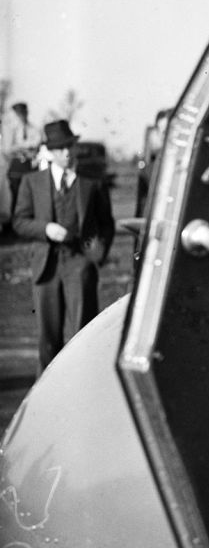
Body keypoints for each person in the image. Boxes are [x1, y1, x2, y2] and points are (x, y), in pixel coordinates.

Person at [12, 120, 116, 372]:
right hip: (46, 267)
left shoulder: (91, 183)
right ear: (49, 151)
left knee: (84, 335)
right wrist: (45, 229)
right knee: (48, 340)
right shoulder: (32, 182)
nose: (66, 153)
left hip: (79, 264)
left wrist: (95, 255)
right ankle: (46, 400)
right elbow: (19, 222)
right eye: (59, 149)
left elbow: (106, 224)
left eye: (69, 146)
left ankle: (85, 390)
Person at [2, 102, 40, 217]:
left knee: (28, 193)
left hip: (29, 165)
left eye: (23, 113)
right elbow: (7, 149)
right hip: (15, 166)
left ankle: (25, 218)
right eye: (18, 114)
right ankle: (14, 219)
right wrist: (24, 146)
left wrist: (20, 147)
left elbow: (36, 145)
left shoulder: (33, 129)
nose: (21, 116)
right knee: (14, 193)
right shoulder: (11, 129)